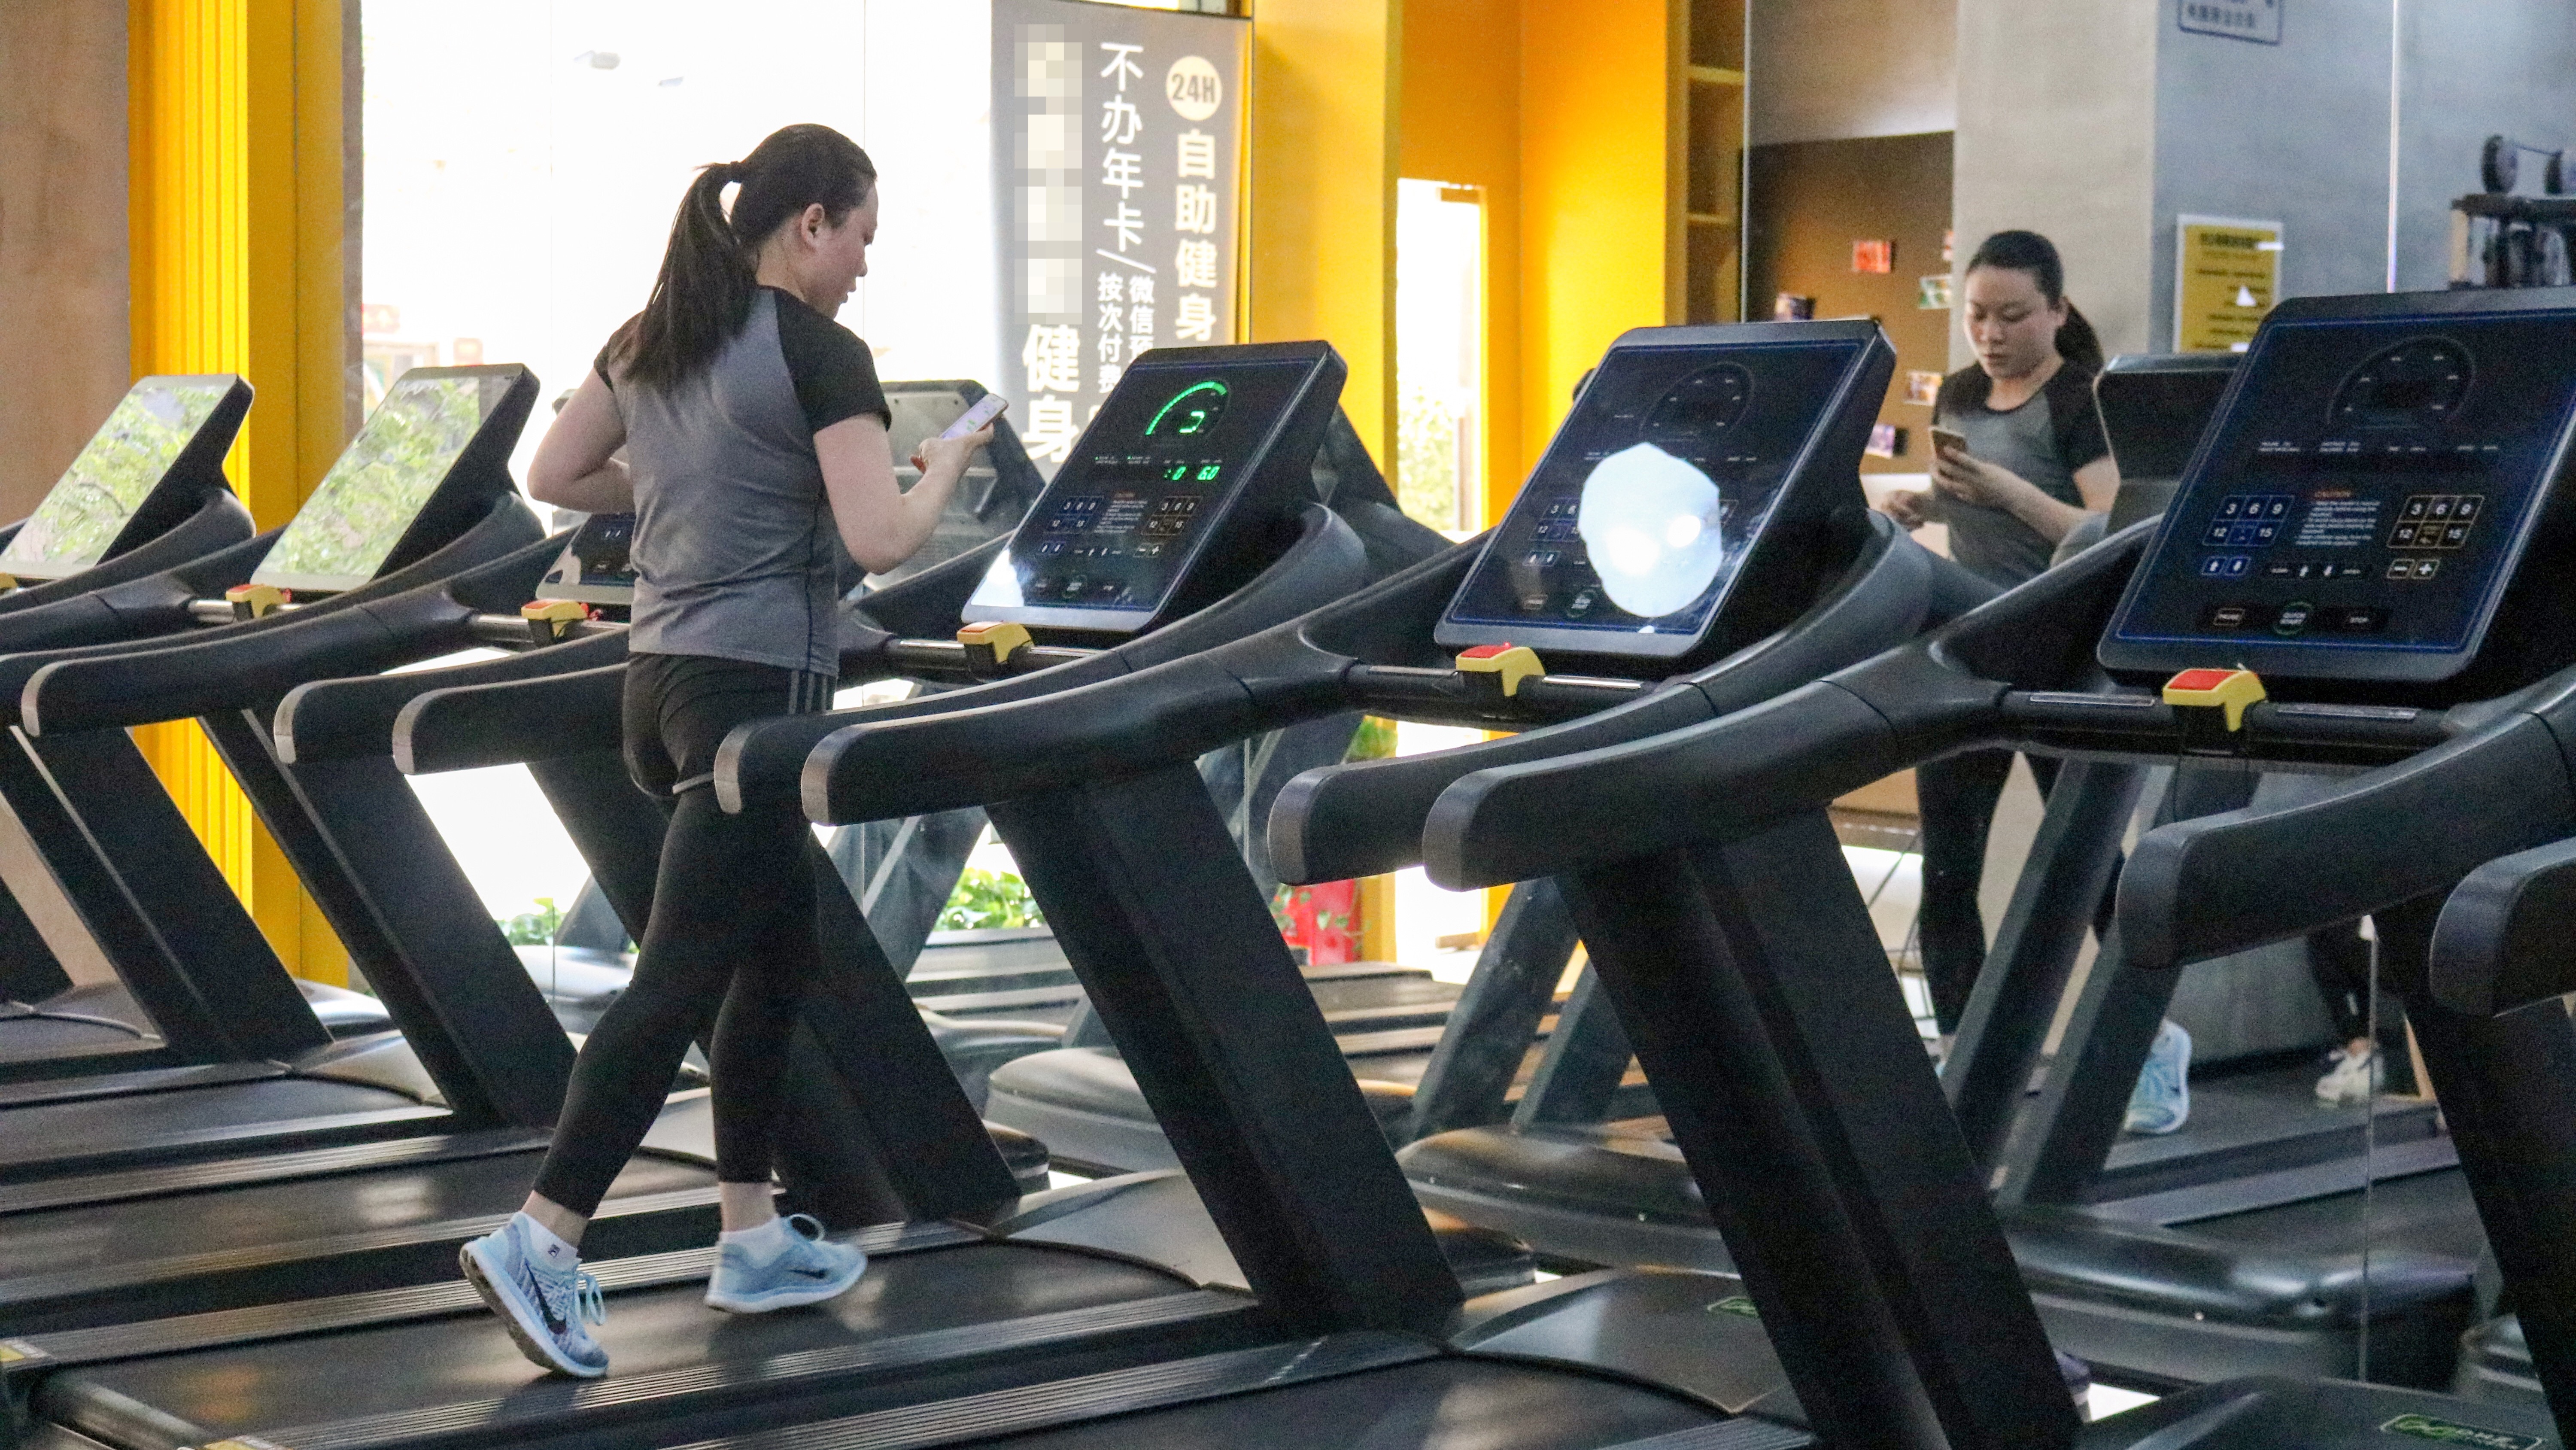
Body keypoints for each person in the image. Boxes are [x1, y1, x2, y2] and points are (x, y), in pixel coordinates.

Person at [456, 123, 995, 1379]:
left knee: (778, 953)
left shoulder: (650, 335)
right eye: (861, 237)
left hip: (658, 689)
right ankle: (542, 1236)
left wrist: (680, 481)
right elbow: (879, 540)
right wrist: (947, 467)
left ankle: (750, 1234)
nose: (864, 264)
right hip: (756, 700)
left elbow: (557, 470)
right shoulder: (822, 353)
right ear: (812, 225)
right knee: (679, 979)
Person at [1881, 231, 2189, 1134]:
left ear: (2056, 312)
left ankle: (2150, 1044)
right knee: (1950, 873)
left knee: (2090, 869)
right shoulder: (1960, 394)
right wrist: (1923, 503)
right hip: (1974, 651)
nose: (1991, 334)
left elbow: (2106, 531)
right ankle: (1967, 1057)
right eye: (1977, 315)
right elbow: (1968, 502)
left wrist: (2003, 491)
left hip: (2062, 657)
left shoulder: (2079, 401)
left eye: (2013, 316)